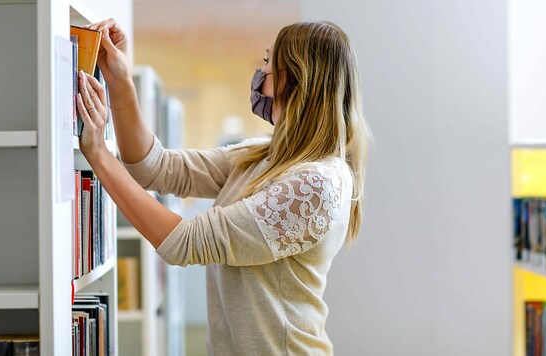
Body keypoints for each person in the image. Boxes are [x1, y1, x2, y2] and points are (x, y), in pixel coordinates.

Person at [76, 18, 372, 355]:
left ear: (296, 79)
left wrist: (99, 154)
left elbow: (184, 242)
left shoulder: (316, 185)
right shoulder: (263, 156)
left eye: (268, 64)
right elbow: (154, 168)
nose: (260, 73)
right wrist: (120, 82)